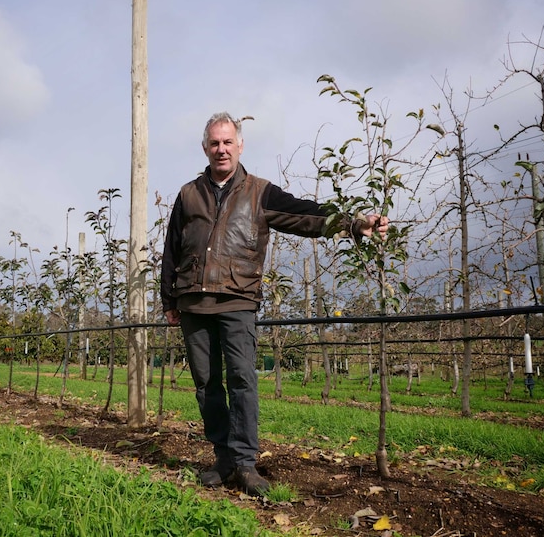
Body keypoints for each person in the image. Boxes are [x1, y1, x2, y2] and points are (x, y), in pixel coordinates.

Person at [160, 112, 388, 495]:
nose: (221, 149)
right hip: (193, 303)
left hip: (237, 299)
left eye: (228, 142)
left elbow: (306, 215)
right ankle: (224, 459)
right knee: (206, 385)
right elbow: (171, 249)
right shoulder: (188, 194)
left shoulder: (260, 192)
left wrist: (354, 224)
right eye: (215, 143)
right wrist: (169, 298)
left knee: (243, 381)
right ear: (205, 147)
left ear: (240, 145)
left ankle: (246, 464)